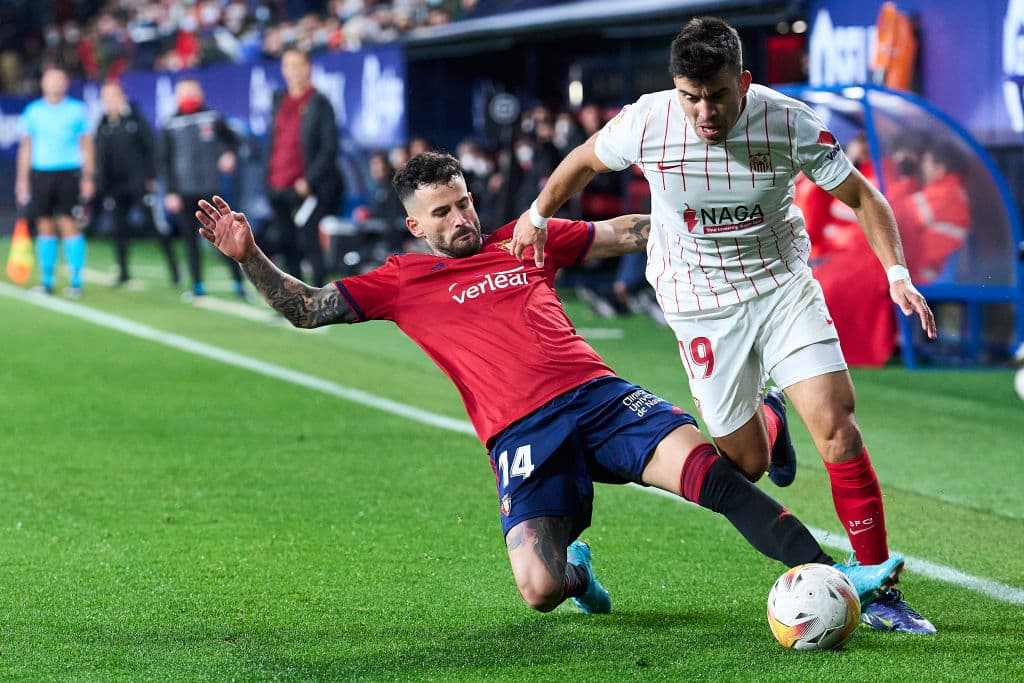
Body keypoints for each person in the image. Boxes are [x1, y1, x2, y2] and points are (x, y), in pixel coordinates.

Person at [195, 151, 903, 618]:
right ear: (415, 224)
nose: (462, 218)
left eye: (464, 202)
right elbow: (307, 308)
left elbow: (621, 232)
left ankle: (838, 575)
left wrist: (707, 221)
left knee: (712, 477)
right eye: (442, 213)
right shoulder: (401, 282)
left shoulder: (523, 238)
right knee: (538, 590)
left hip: (599, 398)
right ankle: (579, 567)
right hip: (521, 436)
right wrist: (250, 254)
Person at [508, 17, 937, 633]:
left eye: (717, 96)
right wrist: (537, 214)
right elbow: (581, 162)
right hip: (699, 302)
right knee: (745, 464)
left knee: (838, 428)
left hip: (782, 286)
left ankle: (880, 587)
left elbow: (865, 197)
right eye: (690, 96)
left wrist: (897, 274)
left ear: (745, 81)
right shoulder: (647, 120)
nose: (704, 111)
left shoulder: (788, 121)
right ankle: (770, 415)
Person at [160, 78, 245, 299]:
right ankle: (197, 285)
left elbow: (234, 141)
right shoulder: (170, 123)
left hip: (211, 189)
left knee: (224, 237)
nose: (188, 96)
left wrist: (229, 154)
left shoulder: (212, 117)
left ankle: (239, 283)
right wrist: (170, 191)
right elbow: (165, 161)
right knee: (190, 239)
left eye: (191, 91)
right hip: (184, 190)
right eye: (183, 92)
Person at [265, 47, 342, 286]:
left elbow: (329, 148)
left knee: (308, 241)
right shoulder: (279, 100)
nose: (292, 71)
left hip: (307, 187)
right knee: (286, 244)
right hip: (278, 183)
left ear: (308, 67)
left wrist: (310, 180)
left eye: (297, 64)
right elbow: (275, 141)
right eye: (287, 65)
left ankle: (319, 298)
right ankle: (294, 300)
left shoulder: (320, 103)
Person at [15, 65, 93, 298]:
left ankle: (76, 280)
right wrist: (22, 179)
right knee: (44, 224)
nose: (56, 84)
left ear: (66, 83)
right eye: (51, 80)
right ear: (43, 83)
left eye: (60, 79)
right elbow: (26, 148)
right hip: (41, 174)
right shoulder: (33, 111)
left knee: (69, 223)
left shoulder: (77, 110)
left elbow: (87, 145)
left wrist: (88, 176)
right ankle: (47, 280)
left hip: (69, 173)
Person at [94, 80, 180, 287]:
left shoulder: (136, 120)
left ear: (122, 97)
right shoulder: (103, 124)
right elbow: (100, 157)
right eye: (105, 98)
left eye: (113, 97)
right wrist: (102, 185)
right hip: (115, 187)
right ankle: (123, 272)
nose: (109, 102)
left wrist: (151, 178)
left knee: (154, 226)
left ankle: (175, 270)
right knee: (118, 229)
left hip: (140, 184)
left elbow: (152, 149)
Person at [891, 139, 971, 284]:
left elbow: (894, 215)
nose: (922, 167)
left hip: (919, 277)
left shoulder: (944, 195)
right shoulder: (951, 191)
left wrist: (903, 177)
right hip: (922, 272)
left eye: (926, 162)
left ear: (940, 169)